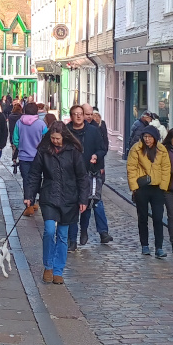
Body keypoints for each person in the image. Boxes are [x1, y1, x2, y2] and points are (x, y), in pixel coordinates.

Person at [24, 122, 88, 284]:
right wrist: (29, 195)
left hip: (69, 198)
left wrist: (83, 199)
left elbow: (82, 177)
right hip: (49, 196)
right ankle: (48, 266)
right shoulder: (43, 152)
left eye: (58, 138)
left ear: (64, 137)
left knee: (62, 236)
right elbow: (34, 174)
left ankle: (58, 270)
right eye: (52, 138)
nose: (55, 141)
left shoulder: (74, 152)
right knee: (49, 230)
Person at [67, 104, 112, 249]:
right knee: (73, 207)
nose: (79, 116)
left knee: (87, 205)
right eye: (76, 114)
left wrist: (96, 156)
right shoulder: (67, 131)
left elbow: (102, 148)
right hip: (71, 174)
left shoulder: (93, 130)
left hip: (89, 172)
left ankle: (84, 230)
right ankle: (72, 240)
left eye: (81, 113)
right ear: (72, 116)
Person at [127, 125, 171, 257]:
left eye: (150, 137)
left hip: (157, 188)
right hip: (142, 188)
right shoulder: (136, 149)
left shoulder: (162, 149)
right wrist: (134, 188)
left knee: (158, 218)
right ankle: (144, 245)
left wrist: (163, 187)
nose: (147, 140)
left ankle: (159, 247)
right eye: (145, 137)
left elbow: (166, 168)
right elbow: (131, 168)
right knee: (143, 218)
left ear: (155, 138)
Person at [14, 103, 47, 216]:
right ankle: (34, 200)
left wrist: (21, 147)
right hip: (38, 157)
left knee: (26, 180)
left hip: (24, 156)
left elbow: (15, 139)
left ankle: (29, 204)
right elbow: (46, 139)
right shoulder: (41, 124)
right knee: (37, 178)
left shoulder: (19, 123)